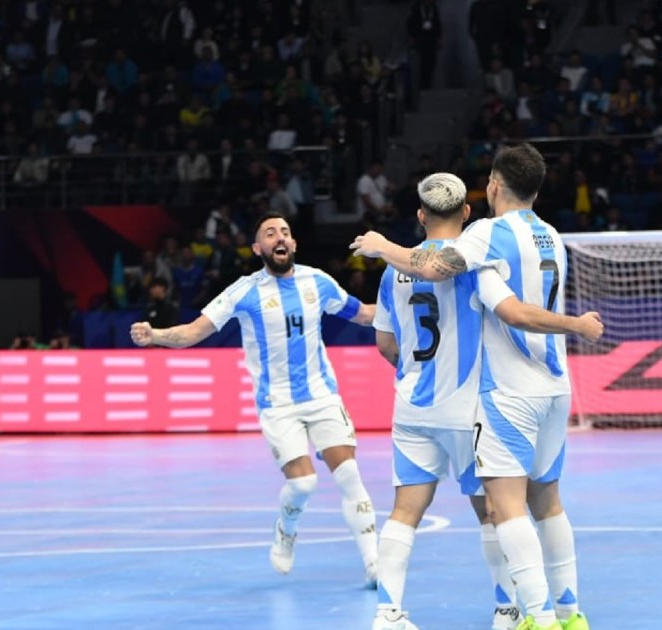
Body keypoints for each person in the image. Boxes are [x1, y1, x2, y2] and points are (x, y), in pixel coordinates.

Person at [351, 144, 590, 630]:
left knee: (404, 512)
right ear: (465, 209)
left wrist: (380, 247)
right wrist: (578, 326)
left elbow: (386, 341)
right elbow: (508, 310)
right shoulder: (545, 238)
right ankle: (519, 611)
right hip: (485, 405)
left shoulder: (408, 268)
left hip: (415, 406)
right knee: (506, 511)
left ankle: (387, 612)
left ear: (420, 214)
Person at [130, 212, 381, 585]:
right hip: (277, 404)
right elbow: (194, 332)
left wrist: (410, 305)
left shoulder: (319, 282)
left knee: (349, 476)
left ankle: (374, 564)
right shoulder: (244, 291)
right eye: (269, 233)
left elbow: (362, 315)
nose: (279, 237)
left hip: (323, 396)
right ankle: (286, 529)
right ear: (258, 248)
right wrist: (156, 335)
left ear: (293, 244)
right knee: (303, 485)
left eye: (285, 232)